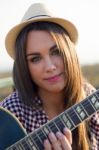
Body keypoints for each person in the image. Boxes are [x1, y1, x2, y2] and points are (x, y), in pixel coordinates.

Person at [0, 3, 99, 150]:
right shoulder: (12, 112)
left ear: (69, 51)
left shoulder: (88, 96)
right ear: (25, 66)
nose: (50, 67)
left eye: (56, 52)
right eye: (35, 58)